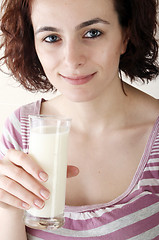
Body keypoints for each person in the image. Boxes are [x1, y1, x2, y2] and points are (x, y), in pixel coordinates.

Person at [0, 0, 159, 239]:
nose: (72, 59)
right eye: (52, 38)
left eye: (92, 33)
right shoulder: (21, 130)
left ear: (126, 35)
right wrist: (8, 207)